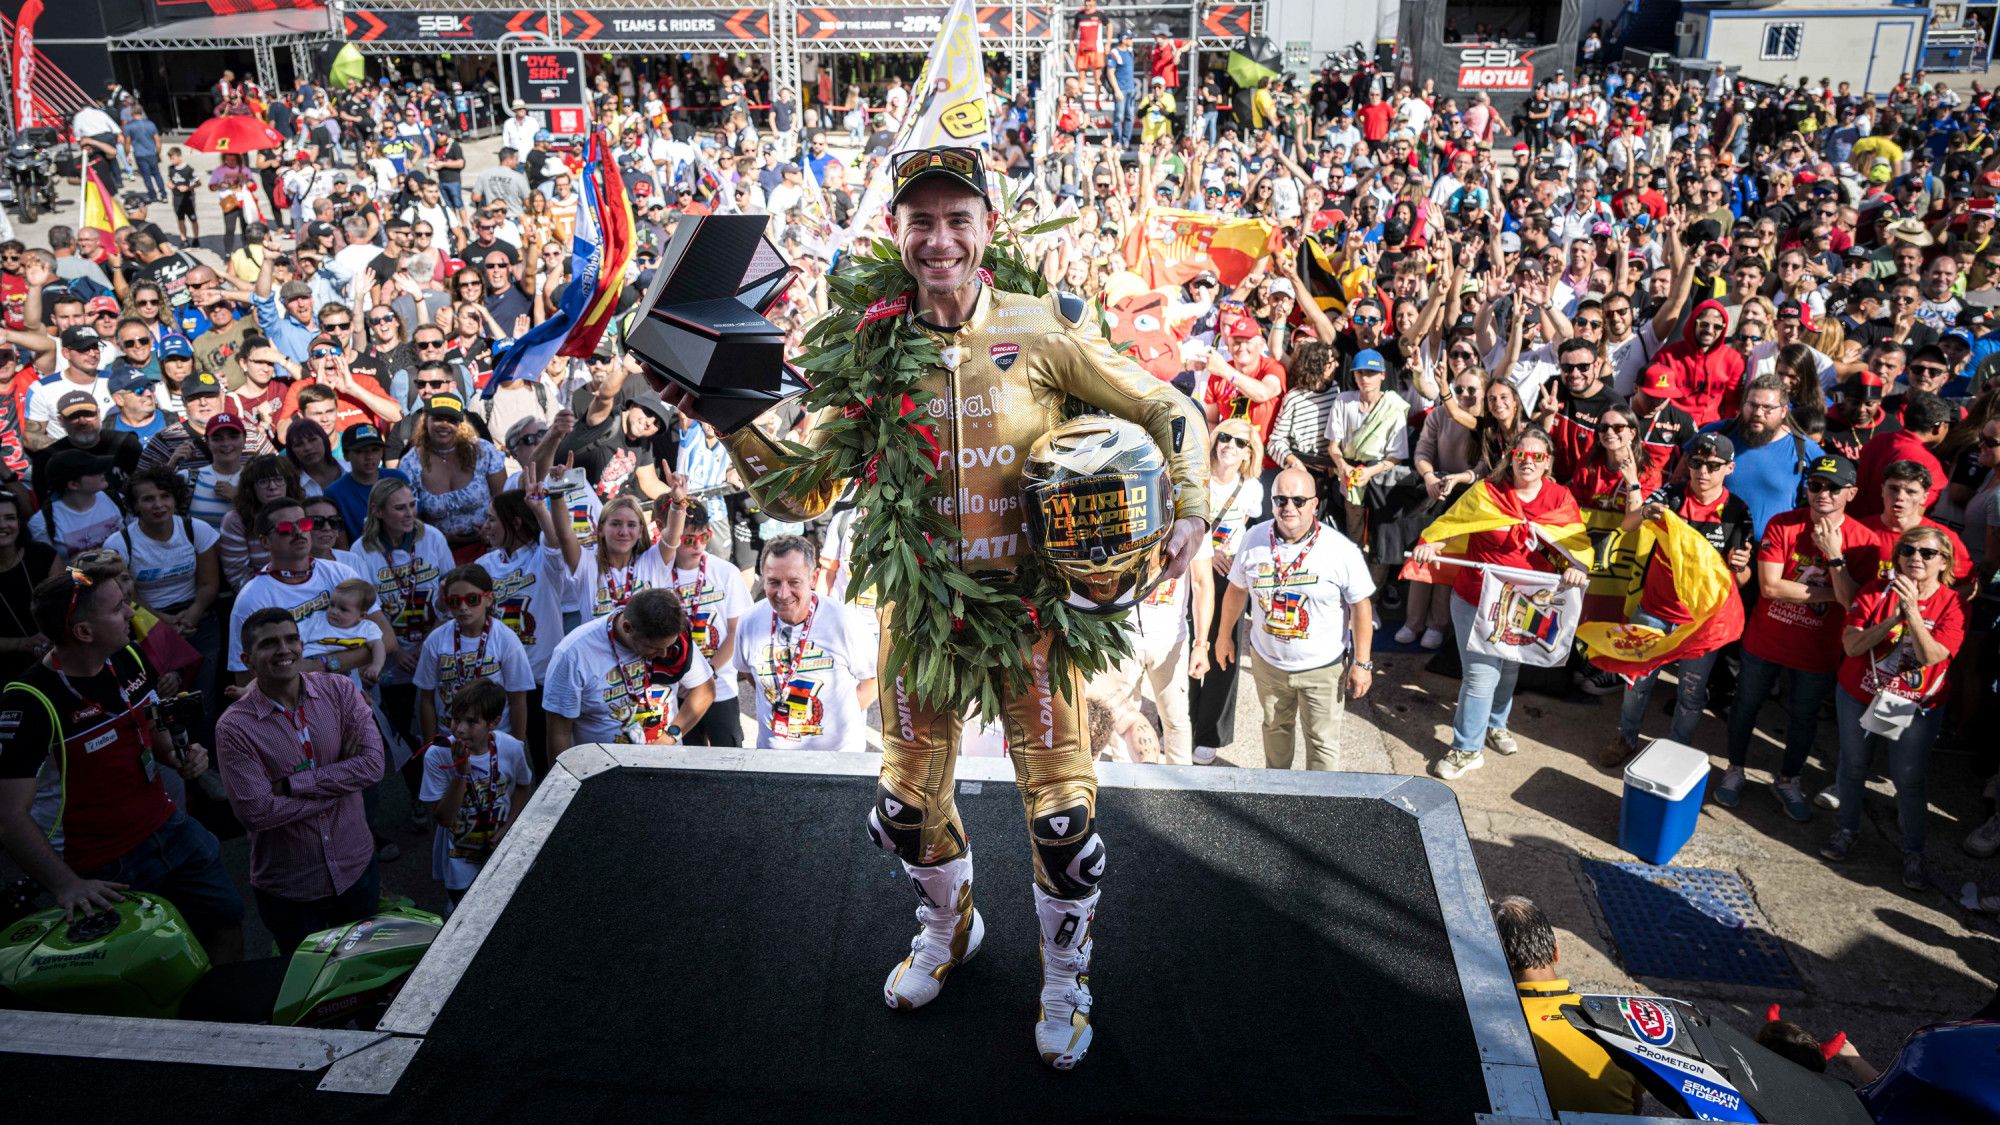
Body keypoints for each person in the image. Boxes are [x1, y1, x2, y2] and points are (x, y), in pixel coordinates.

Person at [679, 145, 1209, 1069]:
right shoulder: (872, 352)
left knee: (1063, 822)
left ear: (988, 231)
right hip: (919, 622)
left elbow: (1170, 409)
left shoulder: (1041, 331)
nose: (939, 239)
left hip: (1032, 620)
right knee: (902, 812)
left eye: (957, 218)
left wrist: (1192, 507)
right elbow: (802, 494)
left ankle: (1062, 975)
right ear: (897, 232)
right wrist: (728, 420)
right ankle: (949, 926)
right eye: (920, 220)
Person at [0, 563, 244, 959]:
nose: (132, 613)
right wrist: (66, 885)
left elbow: (153, 728)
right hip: (103, 865)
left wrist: (182, 756)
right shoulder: (29, 703)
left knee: (225, 920)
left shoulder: (128, 654)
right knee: (154, 960)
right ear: (83, 632)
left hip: (170, 828)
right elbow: (9, 817)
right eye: (118, 609)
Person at [1411, 427, 1590, 780]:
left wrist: (1574, 568)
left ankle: (1495, 724)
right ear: (1511, 456)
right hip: (1475, 599)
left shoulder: (1559, 499)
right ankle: (1466, 749)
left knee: (1510, 666)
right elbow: (1451, 527)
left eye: (1537, 456)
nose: (1528, 462)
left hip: (1526, 603)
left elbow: (1576, 547)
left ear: (1548, 463)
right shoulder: (1487, 492)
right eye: (1522, 454)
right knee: (1480, 676)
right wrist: (1432, 544)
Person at [213, 607, 384, 955]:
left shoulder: (339, 690)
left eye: (291, 639)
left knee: (367, 976)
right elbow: (257, 812)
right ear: (247, 659)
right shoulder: (234, 727)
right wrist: (340, 782)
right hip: (292, 890)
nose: (284, 649)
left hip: (356, 869)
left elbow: (373, 766)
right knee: (310, 991)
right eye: (269, 643)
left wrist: (292, 784)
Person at [1821, 525, 1966, 892]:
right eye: (1908, 550)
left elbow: (1933, 655)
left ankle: (1913, 852)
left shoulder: (1953, 604)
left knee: (1908, 780)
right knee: (1852, 767)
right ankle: (1846, 830)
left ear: (1943, 561)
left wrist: (1914, 615)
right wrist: (1892, 619)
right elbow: (1852, 647)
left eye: (1927, 553)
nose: (1916, 558)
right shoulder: (1874, 590)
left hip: (1910, 702)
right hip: (1860, 692)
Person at [1600, 433, 1754, 767]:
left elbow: (1741, 580)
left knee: (1691, 694)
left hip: (1701, 622)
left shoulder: (1738, 512)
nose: (1702, 472)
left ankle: (1675, 752)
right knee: (1637, 682)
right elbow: (1628, 524)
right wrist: (1643, 509)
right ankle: (1625, 737)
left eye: (1712, 466)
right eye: (1696, 463)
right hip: (1654, 609)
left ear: (1729, 467)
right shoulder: (1670, 494)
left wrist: (1740, 568)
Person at [1214, 468, 1375, 770]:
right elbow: (1236, 590)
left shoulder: (1340, 550)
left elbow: (1361, 607)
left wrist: (1362, 662)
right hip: (1268, 664)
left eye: (1299, 500)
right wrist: (1224, 636)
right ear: (1272, 503)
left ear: (1315, 504)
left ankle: (1320, 808)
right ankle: (1277, 796)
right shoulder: (1253, 539)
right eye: (1281, 500)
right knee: (1275, 730)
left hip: (1322, 670)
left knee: (1322, 743)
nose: (1289, 508)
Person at [1492, 895, 1643, 1115]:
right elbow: (1636, 1105)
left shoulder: (1497, 1032)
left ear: (1497, 964)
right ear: (1555, 952)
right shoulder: (1622, 1023)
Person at [732, 535, 876, 753]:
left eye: (794, 582)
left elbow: (873, 681)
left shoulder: (845, 622)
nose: (782, 593)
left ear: (813, 578)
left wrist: (838, 720)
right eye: (773, 582)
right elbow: (750, 673)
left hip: (836, 761)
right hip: (773, 758)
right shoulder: (749, 621)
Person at [545, 585, 714, 753]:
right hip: (603, 769)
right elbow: (559, 731)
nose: (664, 654)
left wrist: (670, 736)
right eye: (653, 648)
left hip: (667, 759)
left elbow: (705, 690)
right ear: (627, 628)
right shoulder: (574, 654)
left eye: (667, 646)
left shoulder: (673, 640)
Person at [418, 679, 533, 907]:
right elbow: (444, 818)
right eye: (456, 719)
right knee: (465, 914)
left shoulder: (511, 748)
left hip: (498, 849)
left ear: (494, 722)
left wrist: (508, 826)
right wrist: (461, 773)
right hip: (459, 860)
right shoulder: (437, 755)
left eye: (471, 722)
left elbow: (523, 785)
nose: (459, 729)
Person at [226, 497, 363, 681]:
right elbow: (245, 679)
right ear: (265, 541)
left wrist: (318, 665)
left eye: (305, 524)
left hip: (352, 697)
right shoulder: (251, 600)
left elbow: (384, 639)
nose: (298, 532)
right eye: (286, 529)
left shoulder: (341, 573)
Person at [412, 564, 533, 746]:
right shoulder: (435, 641)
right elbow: (426, 699)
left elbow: (518, 699)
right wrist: (431, 745)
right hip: (450, 739)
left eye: (472, 599)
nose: (463, 607)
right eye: (454, 601)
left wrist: (517, 745)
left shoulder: (506, 639)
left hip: (496, 740)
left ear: (489, 599)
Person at [668, 502, 751, 747]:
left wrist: (708, 674)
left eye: (705, 537)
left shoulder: (726, 572)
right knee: (688, 761)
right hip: (678, 689)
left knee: (729, 757)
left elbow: (736, 631)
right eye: (689, 539)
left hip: (720, 686)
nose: (699, 546)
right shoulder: (660, 570)